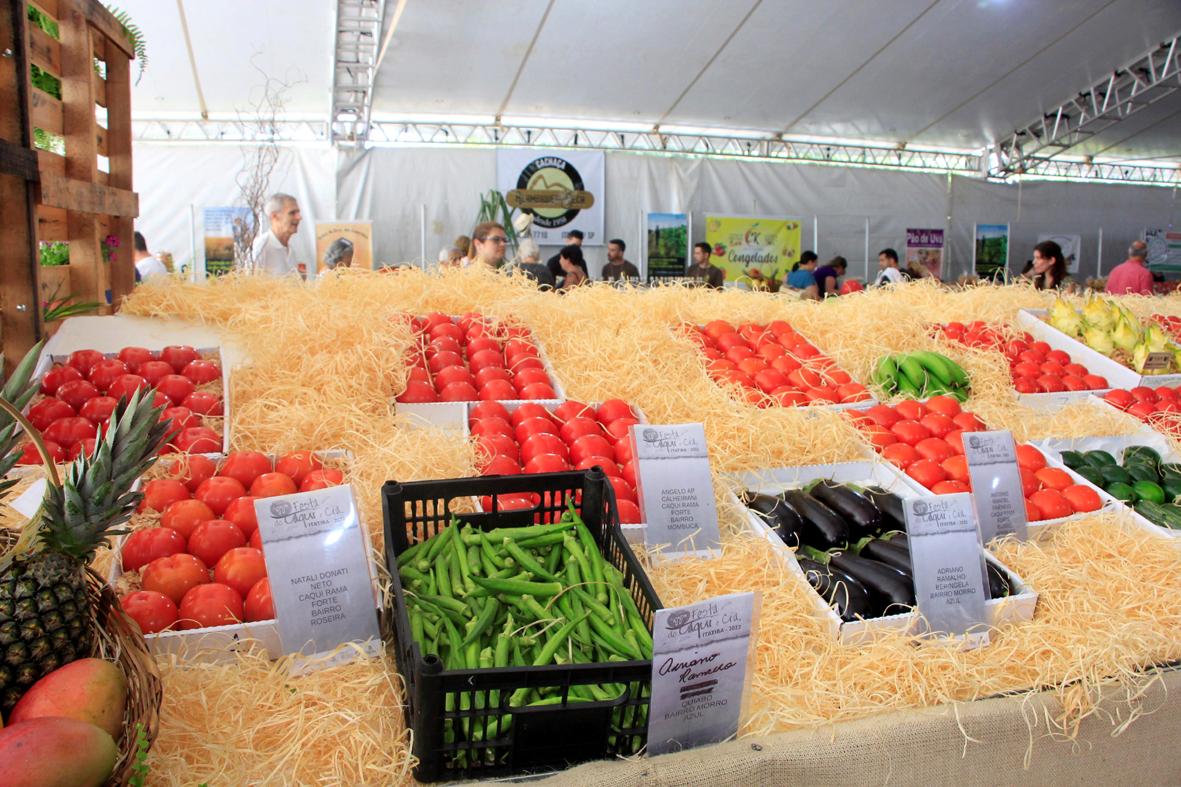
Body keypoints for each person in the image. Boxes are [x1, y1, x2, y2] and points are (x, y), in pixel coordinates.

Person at [251, 193, 302, 276]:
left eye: (298, 213)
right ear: (274, 216)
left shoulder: (291, 251)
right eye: (292, 213)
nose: (299, 217)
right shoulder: (261, 247)